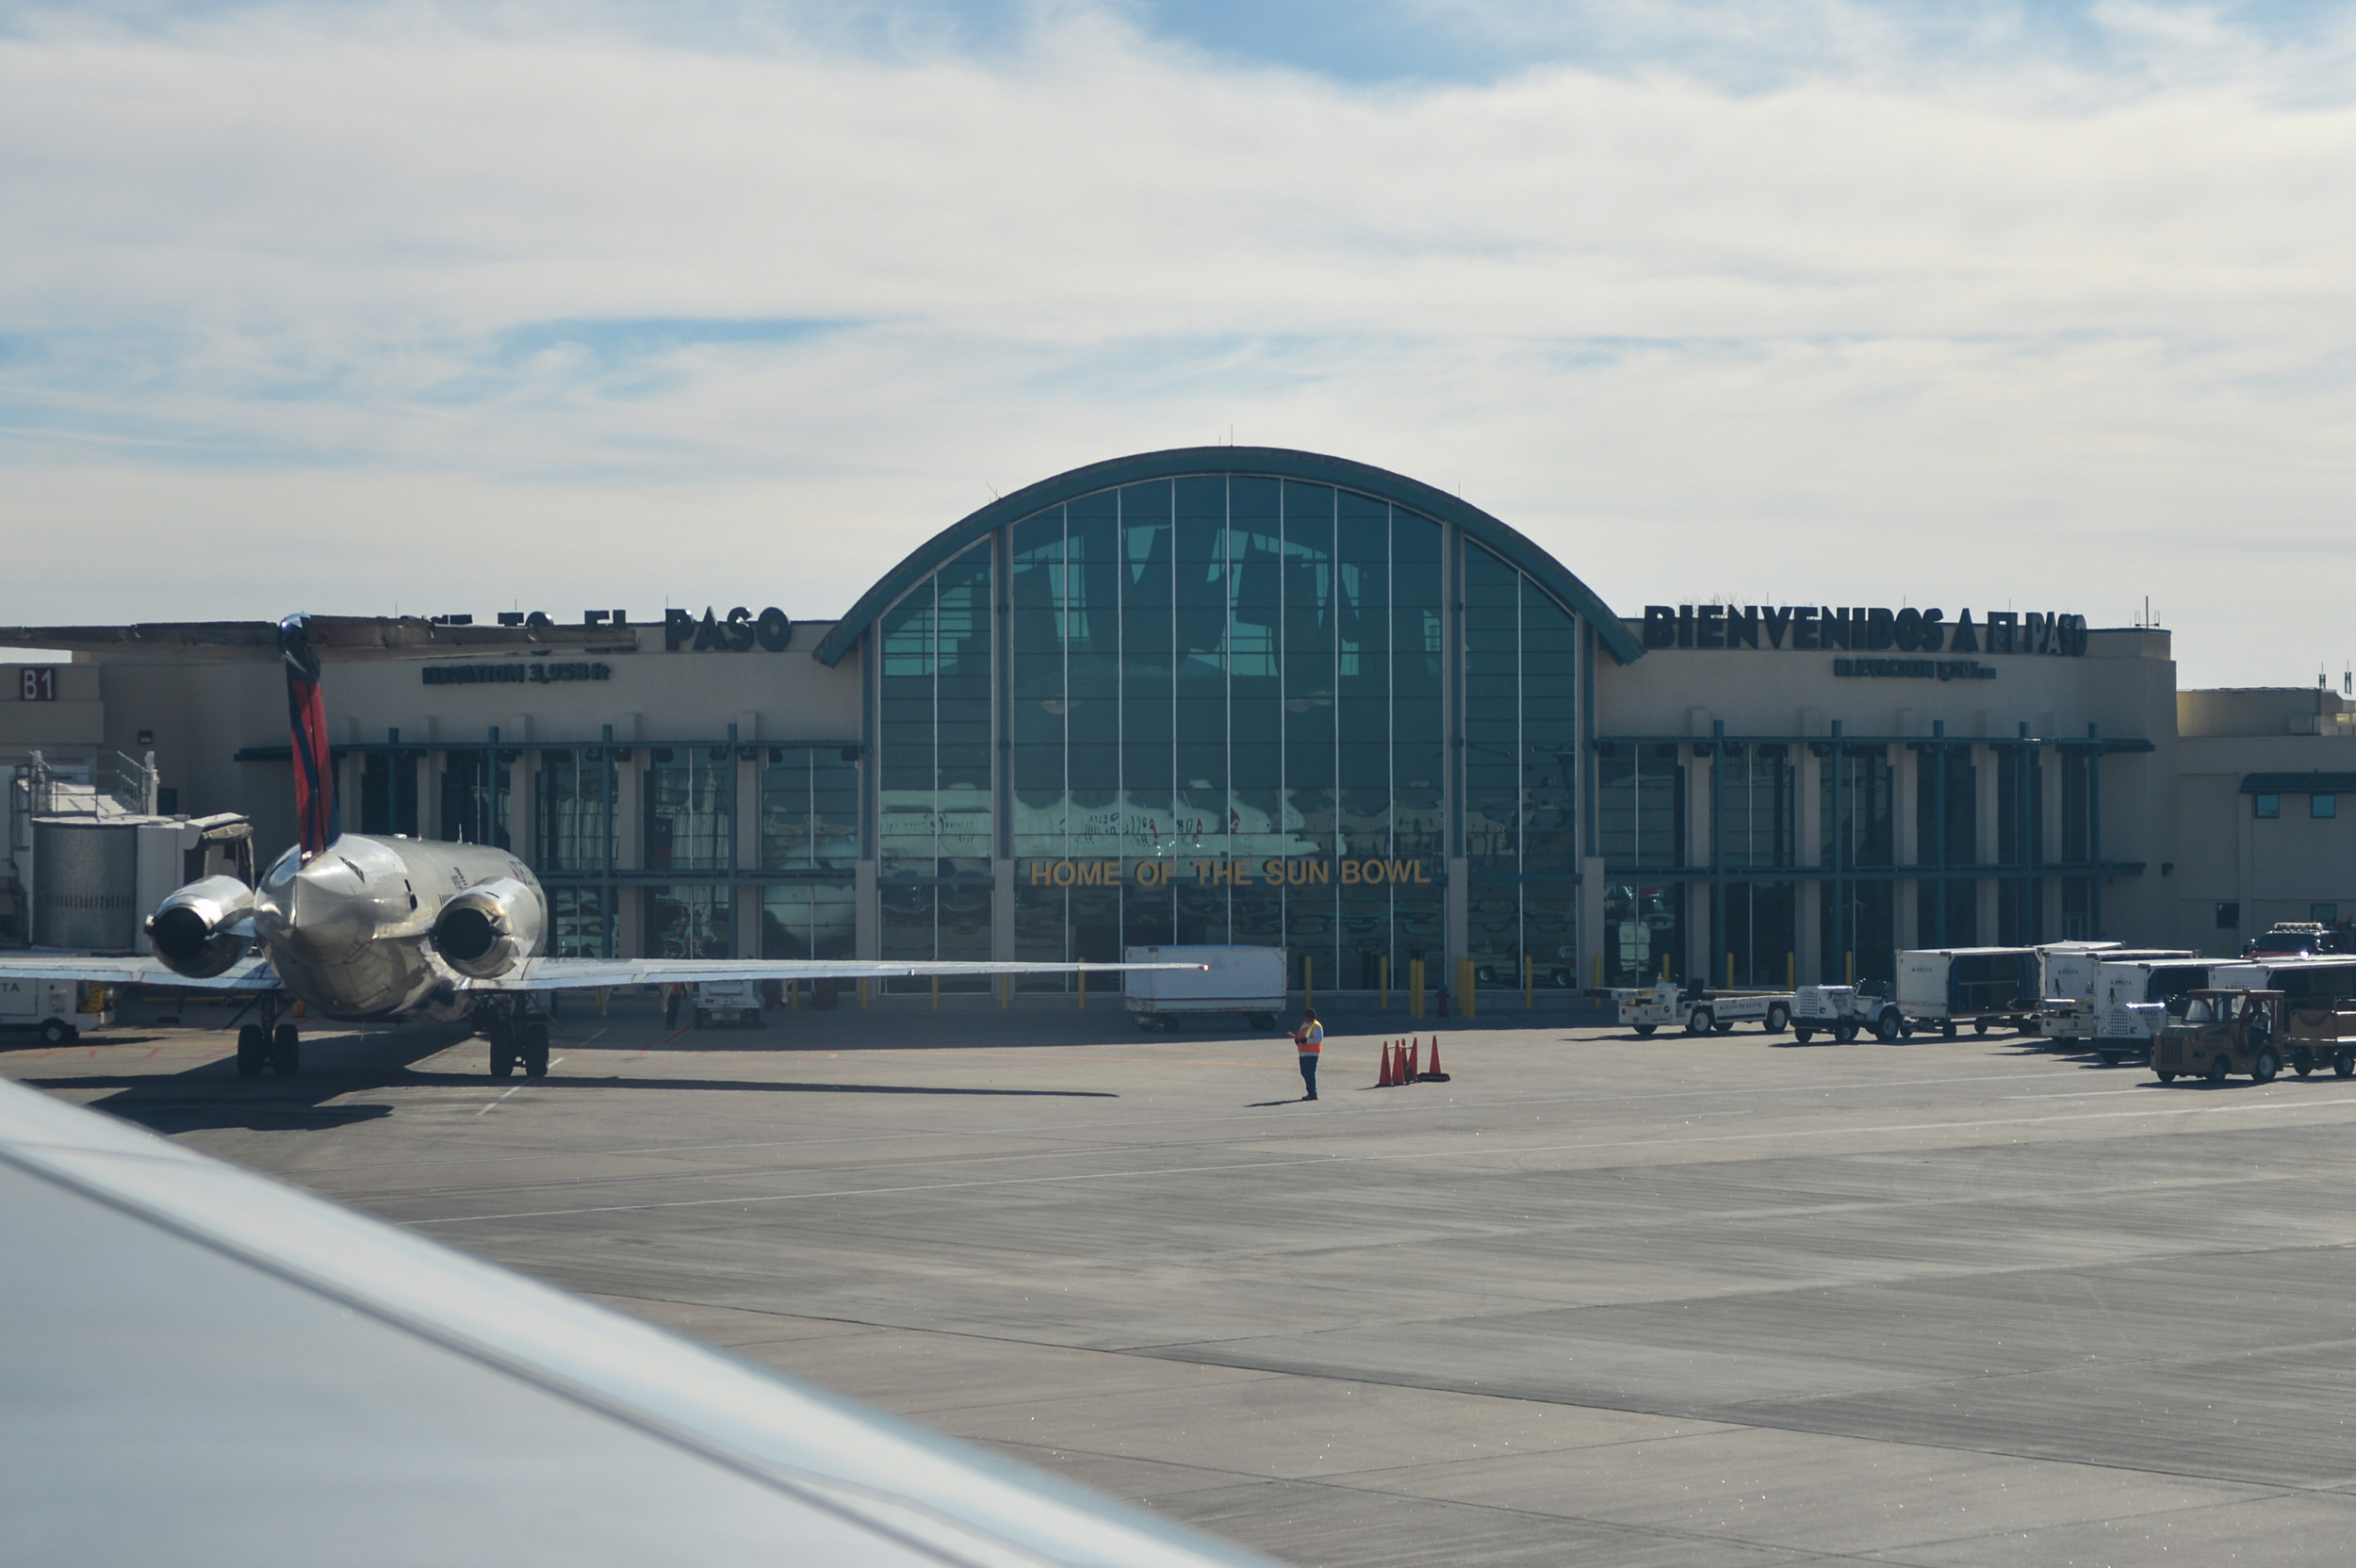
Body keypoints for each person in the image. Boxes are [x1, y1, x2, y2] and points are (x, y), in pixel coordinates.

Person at [1292, 1008, 1324, 1101]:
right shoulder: (1304, 1025)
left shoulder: (1316, 1026)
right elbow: (1301, 1036)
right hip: (1303, 1052)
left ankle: (1313, 1093)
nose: (1305, 1018)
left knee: (1309, 1073)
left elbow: (1318, 1039)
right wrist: (1298, 1040)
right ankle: (1310, 1092)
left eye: (1306, 1016)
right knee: (1304, 1072)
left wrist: (1306, 1040)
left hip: (1312, 1053)